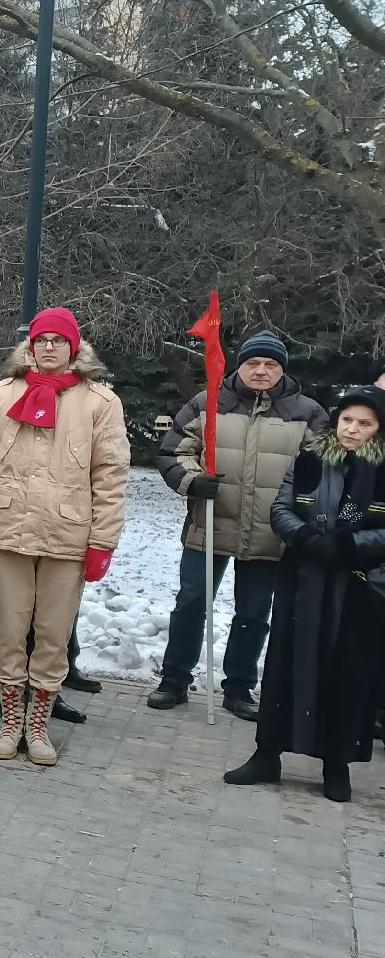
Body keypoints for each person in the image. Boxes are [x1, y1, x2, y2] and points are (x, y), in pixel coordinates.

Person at [0, 308, 128, 766]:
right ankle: (10, 721)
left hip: (67, 534)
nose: (50, 347)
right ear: (30, 346)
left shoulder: (100, 402)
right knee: (11, 631)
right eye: (43, 340)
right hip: (8, 532)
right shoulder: (2, 396)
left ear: (74, 348)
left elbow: (111, 475)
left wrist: (102, 541)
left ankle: (38, 724)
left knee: (53, 636)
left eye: (60, 341)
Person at [151, 331, 327, 720]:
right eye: (253, 363)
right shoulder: (208, 402)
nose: (261, 371)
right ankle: (175, 679)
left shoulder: (307, 413)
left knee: (253, 611)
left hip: (270, 531)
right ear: (239, 365)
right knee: (192, 603)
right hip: (209, 524)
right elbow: (173, 451)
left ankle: (240, 686)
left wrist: (300, 511)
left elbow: (318, 473)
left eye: (271, 365)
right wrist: (193, 480)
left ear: (282, 370)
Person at [223, 387, 385, 801]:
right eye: (347, 419)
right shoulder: (312, 457)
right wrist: (308, 538)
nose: (353, 429)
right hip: (304, 578)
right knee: (285, 665)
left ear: (378, 429)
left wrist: (348, 546)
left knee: (345, 672)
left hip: (355, 585)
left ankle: (336, 763)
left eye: (364, 423)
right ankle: (267, 754)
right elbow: (281, 507)